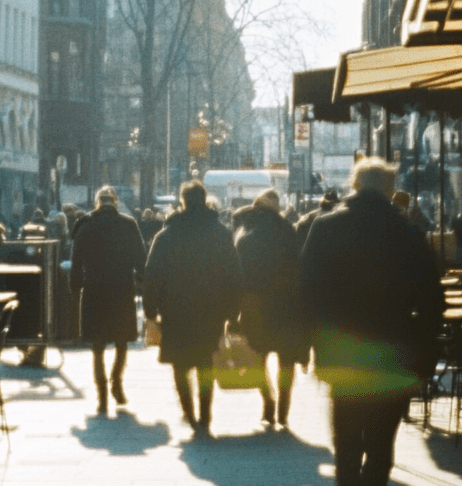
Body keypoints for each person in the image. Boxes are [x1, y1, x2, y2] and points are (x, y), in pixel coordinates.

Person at [300, 157, 444, 486]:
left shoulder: (326, 227)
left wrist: (313, 341)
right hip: (393, 353)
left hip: (343, 354)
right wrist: (425, 347)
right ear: (390, 187)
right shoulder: (408, 232)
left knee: (346, 442)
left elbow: (306, 292)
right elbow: (433, 300)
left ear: (355, 184)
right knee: (381, 445)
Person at [143, 180, 242, 435]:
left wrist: (150, 311)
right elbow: (234, 273)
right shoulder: (220, 233)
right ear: (205, 199)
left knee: (180, 363)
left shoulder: (166, 235)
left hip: (175, 309)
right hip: (211, 309)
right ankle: (205, 415)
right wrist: (232, 312)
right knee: (206, 361)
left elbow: (152, 274)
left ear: (183, 201)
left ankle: (189, 412)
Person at [69, 186, 146, 414]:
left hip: (94, 290)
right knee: (122, 342)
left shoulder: (85, 225)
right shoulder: (128, 224)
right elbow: (140, 259)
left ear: (97, 202)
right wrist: (142, 280)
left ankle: (102, 396)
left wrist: (75, 287)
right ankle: (117, 383)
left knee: (98, 345)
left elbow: (76, 261)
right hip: (121, 289)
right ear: (115, 202)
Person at [232, 189, 304, 428]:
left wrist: (232, 315)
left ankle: (268, 403)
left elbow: (238, 280)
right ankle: (284, 409)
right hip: (287, 306)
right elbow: (299, 272)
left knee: (257, 360)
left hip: (255, 307)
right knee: (286, 362)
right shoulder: (290, 234)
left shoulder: (244, 238)